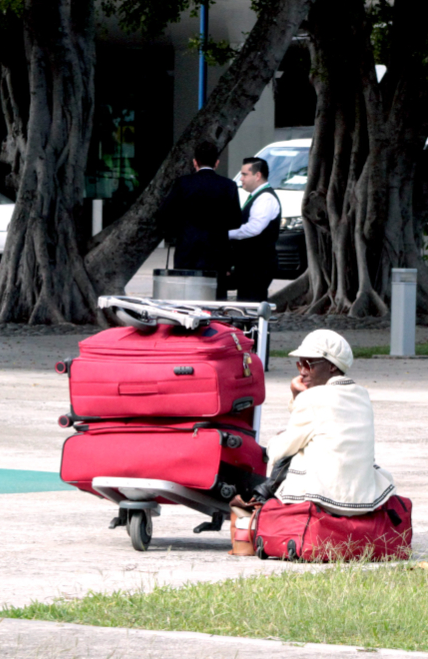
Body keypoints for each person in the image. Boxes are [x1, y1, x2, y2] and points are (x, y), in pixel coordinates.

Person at [264, 330, 396, 516]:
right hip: (364, 499)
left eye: (308, 364)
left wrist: (272, 443)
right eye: (299, 364)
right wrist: (299, 397)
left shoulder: (313, 398)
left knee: (293, 447)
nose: (302, 372)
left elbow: (280, 451)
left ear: (332, 366)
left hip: (323, 498)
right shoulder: (361, 395)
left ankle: (258, 499)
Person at [155, 141, 243, 295]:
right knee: (216, 297)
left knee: (186, 295)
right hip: (217, 251)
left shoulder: (183, 184)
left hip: (187, 248)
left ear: (195, 162)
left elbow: (164, 214)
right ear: (216, 162)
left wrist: (180, 231)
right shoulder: (229, 186)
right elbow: (236, 220)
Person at [228, 156, 281, 302]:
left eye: (244, 174)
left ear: (258, 175)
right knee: (246, 303)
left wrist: (226, 234)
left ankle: (257, 326)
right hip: (251, 264)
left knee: (252, 304)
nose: (241, 179)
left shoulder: (265, 198)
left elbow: (254, 228)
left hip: (259, 264)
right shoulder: (257, 196)